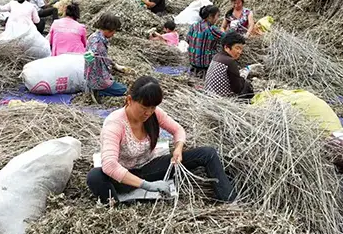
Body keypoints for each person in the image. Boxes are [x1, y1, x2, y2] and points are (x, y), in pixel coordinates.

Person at [87, 76, 237, 203]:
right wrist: (148, 186)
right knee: (95, 176)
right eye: (144, 107)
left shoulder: (154, 113)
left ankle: (229, 202)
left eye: (153, 107)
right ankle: (118, 207)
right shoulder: (115, 124)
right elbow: (110, 166)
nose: (148, 112)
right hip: (124, 177)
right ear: (129, 100)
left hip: (149, 167)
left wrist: (178, 148)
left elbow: (178, 130)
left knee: (208, 153)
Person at [85, 13, 131, 102]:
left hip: (101, 75)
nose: (114, 33)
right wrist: (90, 54)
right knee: (124, 90)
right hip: (98, 80)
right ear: (110, 29)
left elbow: (103, 57)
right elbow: (93, 50)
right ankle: (99, 92)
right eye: (114, 31)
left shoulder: (97, 36)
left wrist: (115, 65)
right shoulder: (97, 40)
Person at [204, 31, 254, 100]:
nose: (240, 52)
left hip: (209, 96)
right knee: (247, 85)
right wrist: (242, 79)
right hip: (222, 100)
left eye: (241, 49)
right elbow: (237, 89)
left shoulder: (216, 57)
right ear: (227, 47)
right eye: (237, 48)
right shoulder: (230, 62)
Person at [187, 5, 224, 78]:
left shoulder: (194, 26)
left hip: (193, 63)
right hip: (206, 66)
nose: (217, 19)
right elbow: (227, 38)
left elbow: (188, 40)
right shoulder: (211, 29)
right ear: (210, 16)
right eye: (217, 16)